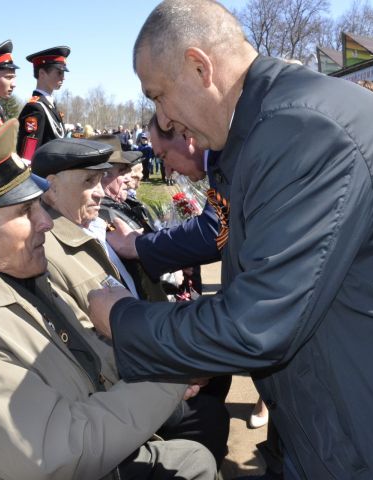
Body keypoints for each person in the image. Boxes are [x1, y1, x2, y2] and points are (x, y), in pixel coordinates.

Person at [87, 2, 373, 479]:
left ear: (198, 66)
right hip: (350, 410)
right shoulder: (268, 130)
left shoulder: (302, 130)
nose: (164, 119)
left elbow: (257, 324)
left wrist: (123, 319)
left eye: (159, 96)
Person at [0, 120, 216, 480]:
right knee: (193, 462)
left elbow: (95, 356)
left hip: (90, 436)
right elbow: (55, 455)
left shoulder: (15, 274)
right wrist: (172, 376)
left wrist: (167, 358)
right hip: (71, 459)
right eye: (24, 212)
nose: (45, 223)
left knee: (193, 458)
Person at [32, 137, 229, 469]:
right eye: (88, 182)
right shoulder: (48, 252)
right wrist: (168, 376)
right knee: (207, 418)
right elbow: (85, 346)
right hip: (120, 381)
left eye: (101, 179)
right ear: (51, 189)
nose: (101, 190)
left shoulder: (97, 225)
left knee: (216, 374)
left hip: (141, 349)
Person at [16, 46, 69, 162]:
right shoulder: (35, 108)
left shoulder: (50, 105)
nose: (63, 78)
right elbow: (27, 156)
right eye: (59, 73)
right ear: (42, 73)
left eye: (63, 73)